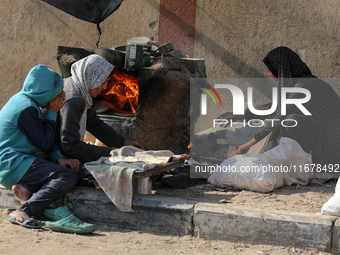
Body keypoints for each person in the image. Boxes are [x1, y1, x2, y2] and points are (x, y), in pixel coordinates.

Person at [0, 65, 81, 228]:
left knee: (53, 168)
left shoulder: (24, 100)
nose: (59, 96)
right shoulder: (26, 109)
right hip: (10, 162)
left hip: (15, 160)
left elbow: (40, 139)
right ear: (46, 93)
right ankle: (24, 210)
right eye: (56, 93)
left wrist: (58, 158)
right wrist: (53, 111)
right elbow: (43, 141)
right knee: (67, 176)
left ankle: (24, 189)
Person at [236, 46, 340, 168]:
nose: (269, 73)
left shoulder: (305, 86)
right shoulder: (299, 85)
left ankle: (304, 166)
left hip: (332, 144)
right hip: (324, 136)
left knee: (291, 120)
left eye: (271, 69)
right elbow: (274, 108)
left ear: (282, 68)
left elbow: (281, 115)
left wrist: (248, 144)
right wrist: (240, 115)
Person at [57, 54, 143, 163]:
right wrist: (110, 152)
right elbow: (69, 145)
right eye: (102, 82)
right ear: (91, 77)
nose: (104, 87)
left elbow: (95, 124)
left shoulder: (79, 90)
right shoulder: (74, 99)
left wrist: (124, 142)